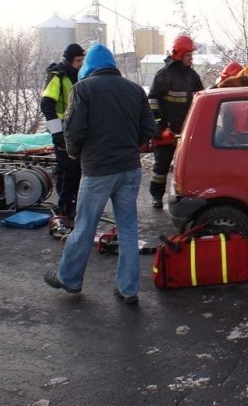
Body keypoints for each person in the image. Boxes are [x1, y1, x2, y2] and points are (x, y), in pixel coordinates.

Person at [44, 43, 156, 304]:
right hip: (130, 169)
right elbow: (149, 128)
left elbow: (74, 130)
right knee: (128, 229)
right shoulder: (135, 89)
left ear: (89, 67)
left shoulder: (82, 89)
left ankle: (69, 279)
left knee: (84, 226)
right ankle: (128, 290)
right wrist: (130, 143)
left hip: (98, 171)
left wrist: (72, 151)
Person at [147, 35, 205, 208]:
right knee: (161, 167)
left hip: (187, 131)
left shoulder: (192, 76)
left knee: (188, 167)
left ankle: (186, 197)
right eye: (188, 55)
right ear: (179, 54)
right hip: (167, 131)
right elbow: (153, 100)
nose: (191, 58)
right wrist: (158, 124)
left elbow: (200, 99)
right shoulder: (163, 75)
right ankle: (156, 197)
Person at [40, 43, 85, 219]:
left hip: (77, 131)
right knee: (67, 170)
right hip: (63, 131)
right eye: (78, 60)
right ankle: (65, 208)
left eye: (83, 60)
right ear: (70, 60)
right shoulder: (58, 77)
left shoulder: (80, 76)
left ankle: (75, 204)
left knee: (79, 170)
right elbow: (46, 105)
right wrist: (57, 133)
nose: (81, 63)